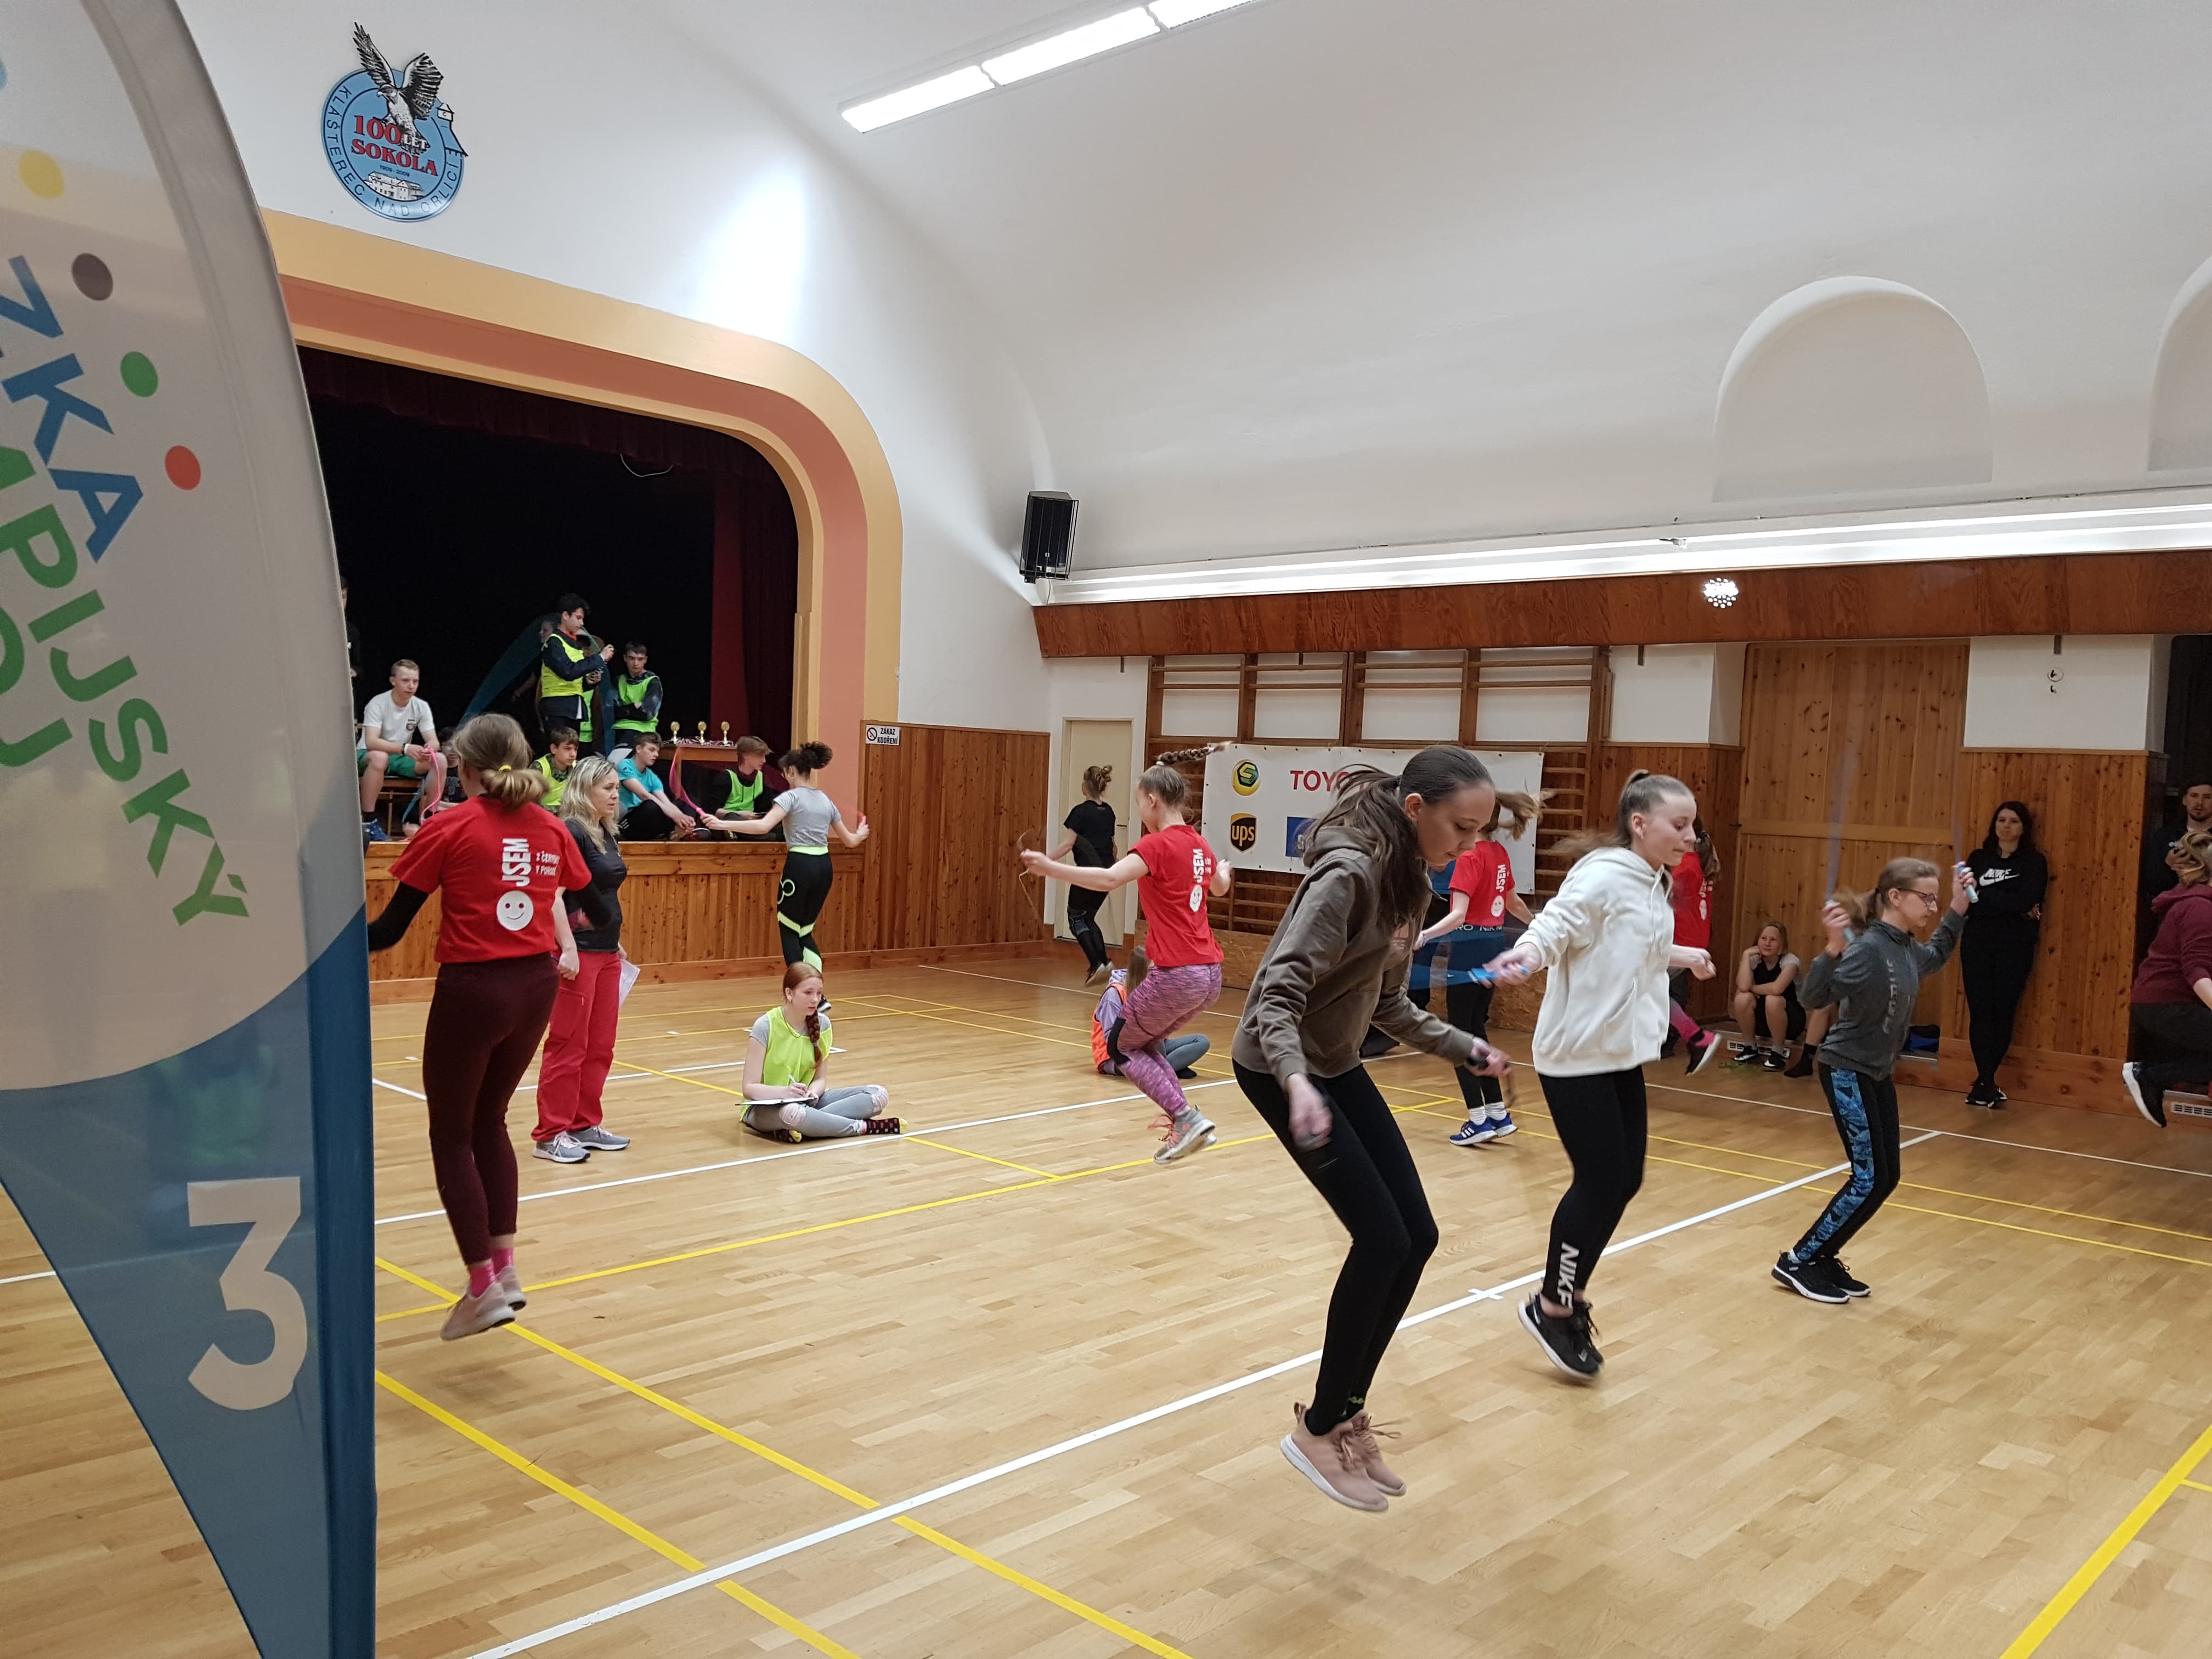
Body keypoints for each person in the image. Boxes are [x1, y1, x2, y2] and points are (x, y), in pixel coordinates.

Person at [1233, 748, 1511, 1511]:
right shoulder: (1349, 875)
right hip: (1280, 1067)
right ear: (1415, 808)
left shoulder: (1410, 881)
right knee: (1382, 1240)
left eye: (1480, 831)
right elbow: (1275, 997)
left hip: (1333, 1061)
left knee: (1416, 1237)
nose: (1468, 845)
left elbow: (1389, 1004)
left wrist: (1465, 1048)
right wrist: (1295, 1081)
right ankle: (1319, 1429)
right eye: (1461, 827)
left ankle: (1346, 1411)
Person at [364, 714, 599, 1341]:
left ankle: (480, 1287)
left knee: (451, 1136)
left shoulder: (450, 826)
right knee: (490, 1121)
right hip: (536, 988)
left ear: (464, 769)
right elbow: (588, 899)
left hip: (474, 992)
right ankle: (505, 1268)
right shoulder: (551, 826)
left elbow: (387, 932)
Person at [1488, 772, 1717, 1380]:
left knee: (1624, 1179)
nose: (1691, 836)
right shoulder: (1603, 874)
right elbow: (1557, 926)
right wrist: (1528, 954)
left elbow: (1634, 946)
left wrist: (1683, 955)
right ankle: (1554, 1305)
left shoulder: (1653, 879)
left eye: (1693, 825)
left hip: (1620, 1053)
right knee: (1598, 1181)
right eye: (1679, 824)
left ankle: (1568, 1295)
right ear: (1639, 823)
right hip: (1578, 1055)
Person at [1770, 857, 1972, 1304]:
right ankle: (1799, 1259)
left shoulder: (1904, 947)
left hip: (1876, 1072)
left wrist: (1959, 907)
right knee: (1869, 1177)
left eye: (1936, 899)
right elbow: (1813, 997)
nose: (1932, 907)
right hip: (1846, 1069)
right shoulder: (1868, 949)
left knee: (1885, 1177)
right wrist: (1831, 947)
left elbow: (1937, 953)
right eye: (1927, 898)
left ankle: (1824, 1256)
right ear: (1895, 897)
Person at [1024, 763, 1231, 1164]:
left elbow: (1108, 880)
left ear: (1152, 801)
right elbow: (1219, 888)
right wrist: (1221, 870)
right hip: (1210, 975)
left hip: (1178, 973)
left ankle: (1186, 1118)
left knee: (1120, 1046)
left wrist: (1050, 868)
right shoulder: (1199, 845)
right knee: (1144, 1044)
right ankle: (1187, 1121)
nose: (1139, 811)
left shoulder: (1155, 846)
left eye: (1138, 803)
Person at [1409, 790, 1541, 1146]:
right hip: (1494, 946)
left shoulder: (1469, 856)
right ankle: (1498, 1114)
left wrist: (1425, 936)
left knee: (1460, 1037)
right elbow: (1512, 903)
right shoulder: (1499, 853)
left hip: (1469, 952)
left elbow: (1458, 916)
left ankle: (1478, 1119)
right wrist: (1541, 928)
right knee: (1476, 1030)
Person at [531, 757, 635, 1165]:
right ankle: (550, 1134)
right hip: (578, 954)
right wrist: (568, 947)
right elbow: (553, 896)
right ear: (584, 788)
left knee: (600, 1045)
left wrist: (615, 942)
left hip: (606, 952)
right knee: (568, 1044)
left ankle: (583, 1123)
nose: (615, 795)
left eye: (617, 788)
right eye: (607, 788)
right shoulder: (571, 831)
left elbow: (602, 896)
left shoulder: (605, 831)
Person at [723, 742, 869, 970]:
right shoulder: (825, 800)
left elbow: (763, 827)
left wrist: (723, 824)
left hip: (801, 866)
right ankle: (816, 988)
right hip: (824, 867)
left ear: (791, 771)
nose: (785, 779)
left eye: (784, 774)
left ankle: (802, 987)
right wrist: (860, 834)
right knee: (805, 931)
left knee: (789, 929)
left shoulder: (790, 798)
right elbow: (850, 841)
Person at [740, 964, 900, 1141]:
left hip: (806, 1103)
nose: (815, 1000)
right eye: (808, 993)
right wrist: (785, 1092)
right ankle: (863, 1127)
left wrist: (813, 1093)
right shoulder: (765, 1026)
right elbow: (749, 1088)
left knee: (878, 1095)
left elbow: (820, 1080)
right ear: (789, 994)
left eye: (819, 993)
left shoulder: (823, 1024)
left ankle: (809, 1125)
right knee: (793, 1112)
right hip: (765, 1107)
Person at [1961, 801, 2050, 1108]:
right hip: (1977, 942)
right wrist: (2008, 903)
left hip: (2015, 945)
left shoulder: (2034, 862)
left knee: (2003, 1010)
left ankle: (1984, 1082)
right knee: (1980, 1011)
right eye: (2002, 820)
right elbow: (1969, 900)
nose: (2007, 826)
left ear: (2024, 828)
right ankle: (1986, 1082)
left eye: (2014, 821)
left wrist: (1986, 897)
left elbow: (2026, 900)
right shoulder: (1978, 858)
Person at [2121, 828, 2212, 1126]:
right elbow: (2196, 971)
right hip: (2164, 1002)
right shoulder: (2200, 908)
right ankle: (2150, 1076)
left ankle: (2153, 1077)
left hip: (2167, 1000)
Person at [1659, 820, 1725, 1073]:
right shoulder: (1697, 864)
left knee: (1642, 989)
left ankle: (1696, 1037)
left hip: (1679, 942)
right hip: (1691, 942)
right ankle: (1696, 1038)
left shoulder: (1684, 868)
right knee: (1650, 991)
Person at [358, 658, 447, 843]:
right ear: (393, 681)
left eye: (415, 681)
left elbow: (434, 741)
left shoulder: (421, 706)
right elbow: (372, 741)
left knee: (439, 759)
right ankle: (368, 821)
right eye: (406, 681)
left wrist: (428, 749)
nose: (411, 686)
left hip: (399, 757)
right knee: (380, 758)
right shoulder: (378, 703)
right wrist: (405, 748)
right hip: (368, 755)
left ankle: (429, 819)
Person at [1093, 952, 1209, 1084]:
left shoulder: (1152, 990)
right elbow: (1111, 1038)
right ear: (1140, 971)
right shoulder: (1114, 994)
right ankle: (1171, 1068)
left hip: (1149, 1047)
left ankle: (1163, 1069)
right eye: (1151, 970)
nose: (1156, 974)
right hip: (1117, 1056)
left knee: (1201, 1041)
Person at [1052, 764, 1120, 984]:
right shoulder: (1109, 812)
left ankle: (1096, 964)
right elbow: (1113, 847)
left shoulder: (1080, 812)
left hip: (1087, 874)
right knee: (1088, 917)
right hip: (1107, 873)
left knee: (1075, 917)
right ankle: (1104, 962)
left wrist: (1046, 860)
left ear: (1085, 786)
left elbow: (1068, 844)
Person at [538, 592, 614, 753]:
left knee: (571, 754)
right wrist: (600, 658)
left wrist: (589, 681)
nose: (582, 623)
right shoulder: (554, 642)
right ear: (566, 616)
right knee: (559, 754)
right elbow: (568, 671)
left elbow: (575, 679)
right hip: (558, 707)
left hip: (573, 706)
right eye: (578, 618)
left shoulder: (574, 645)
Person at [1730, 922, 1804, 1071]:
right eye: (1763, 938)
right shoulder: (1753, 959)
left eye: (1773, 940)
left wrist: (1753, 988)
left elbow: (1777, 988)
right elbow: (1743, 987)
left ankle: (1778, 1053)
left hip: (1790, 1021)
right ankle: (1750, 1047)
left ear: (1782, 943)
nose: (1767, 943)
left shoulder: (1791, 961)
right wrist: (1746, 955)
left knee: (1773, 999)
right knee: (1742, 997)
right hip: (1762, 1022)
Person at [616, 734, 697, 840]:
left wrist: (682, 817)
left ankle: (684, 831)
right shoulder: (624, 765)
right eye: (652, 750)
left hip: (648, 821)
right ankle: (671, 832)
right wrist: (674, 816)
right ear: (639, 749)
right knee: (652, 806)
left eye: (657, 751)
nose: (656, 755)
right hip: (628, 821)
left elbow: (665, 802)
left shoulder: (651, 775)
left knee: (685, 802)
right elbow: (644, 795)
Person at [607, 642, 663, 763]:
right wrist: (634, 707)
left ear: (646, 660)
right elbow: (610, 712)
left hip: (641, 731)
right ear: (625, 658)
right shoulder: (619, 680)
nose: (636, 663)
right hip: (616, 729)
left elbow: (647, 714)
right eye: (632, 658)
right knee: (598, 760)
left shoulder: (653, 682)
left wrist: (624, 710)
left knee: (613, 762)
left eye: (640, 659)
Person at [534, 727, 579, 810]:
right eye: (568, 749)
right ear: (554, 749)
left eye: (575, 749)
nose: (573, 754)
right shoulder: (539, 768)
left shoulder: (577, 767)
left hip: (567, 812)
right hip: (542, 813)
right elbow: (531, 803)